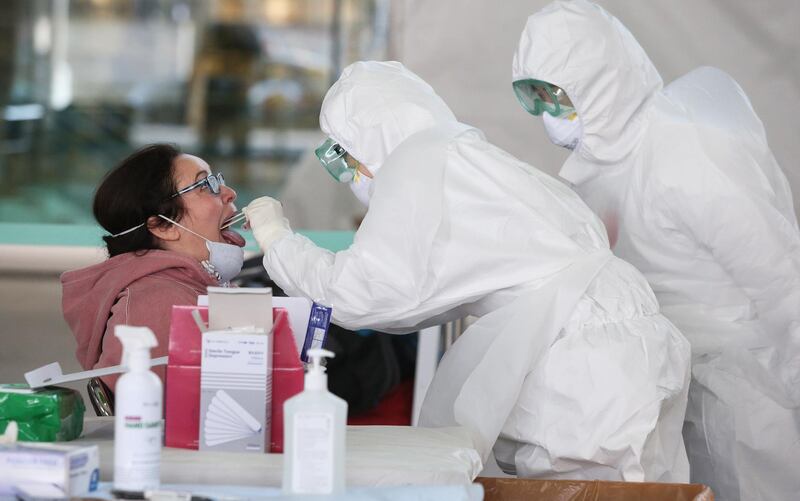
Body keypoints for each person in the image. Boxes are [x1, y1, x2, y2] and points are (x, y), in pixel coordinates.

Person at [244, 61, 691, 481]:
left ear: (370, 138)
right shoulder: (467, 156)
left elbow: (365, 294)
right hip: (632, 348)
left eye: (346, 154)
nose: (349, 174)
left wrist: (278, 241)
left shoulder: (417, 167)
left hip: (587, 374)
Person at [512, 1, 800, 499]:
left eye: (556, 97)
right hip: (675, 384)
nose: (548, 117)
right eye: (534, 99)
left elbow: (778, 275)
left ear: (601, 80)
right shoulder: (600, 170)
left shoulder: (687, 148)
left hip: (750, 392)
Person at [61, 144, 246, 391]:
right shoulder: (157, 302)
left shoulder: (190, 285)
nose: (229, 192)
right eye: (204, 185)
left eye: (216, 179)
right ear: (163, 226)